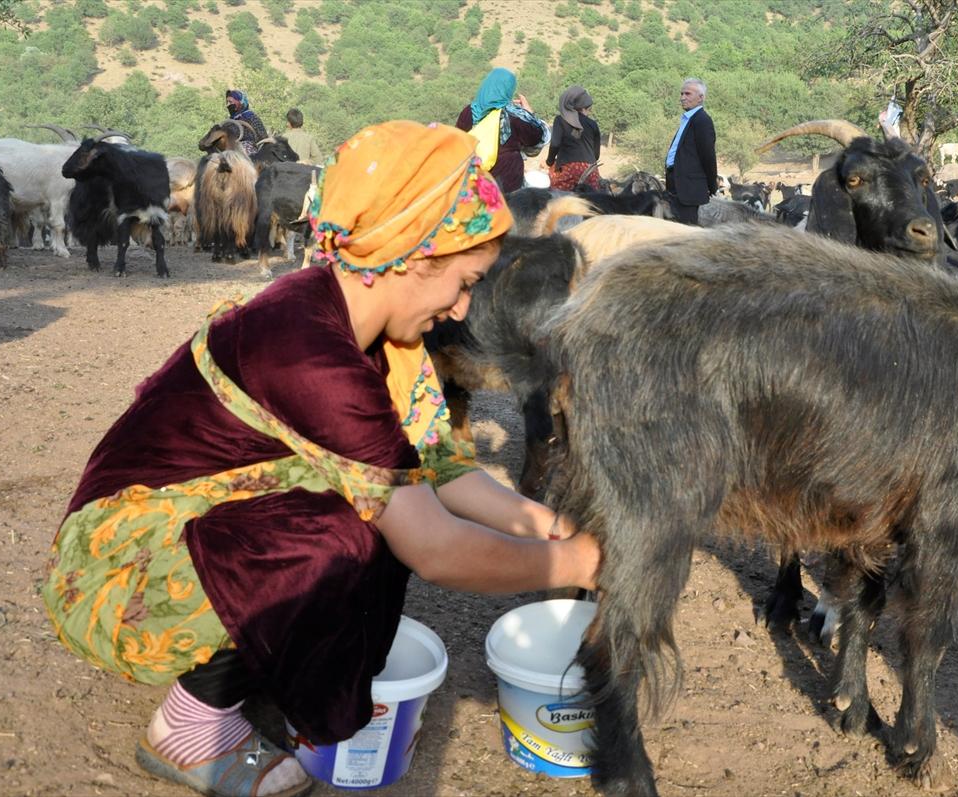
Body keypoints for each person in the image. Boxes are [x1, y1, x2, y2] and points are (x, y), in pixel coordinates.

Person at [42, 121, 601, 797]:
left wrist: (541, 525)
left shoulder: (377, 337)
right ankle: (189, 727)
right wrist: (578, 563)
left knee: (377, 510)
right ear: (409, 256)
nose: (460, 307)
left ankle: (259, 678)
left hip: (195, 518)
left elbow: (437, 464)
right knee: (352, 534)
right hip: (115, 563)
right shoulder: (306, 346)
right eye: (461, 282)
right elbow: (435, 547)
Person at [456, 67, 549, 194]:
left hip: (474, 182)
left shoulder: (468, 112)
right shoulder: (515, 116)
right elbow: (539, 138)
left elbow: (457, 142)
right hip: (506, 186)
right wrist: (529, 113)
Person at [664, 77, 717, 225]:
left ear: (701, 98)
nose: (682, 98)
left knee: (686, 229)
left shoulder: (702, 120)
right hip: (677, 184)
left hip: (688, 187)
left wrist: (712, 185)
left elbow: (708, 156)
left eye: (687, 94)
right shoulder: (688, 119)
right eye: (681, 94)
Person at [546, 85, 604, 192]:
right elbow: (596, 154)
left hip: (568, 169)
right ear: (582, 108)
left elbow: (555, 144)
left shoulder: (560, 120)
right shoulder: (593, 124)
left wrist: (549, 162)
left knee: (557, 200)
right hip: (590, 171)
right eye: (588, 109)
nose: (589, 113)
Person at [225, 89, 267, 157]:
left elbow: (263, 137)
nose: (228, 105)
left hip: (250, 152)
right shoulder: (229, 121)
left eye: (230, 102)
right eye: (227, 102)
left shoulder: (251, 117)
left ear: (240, 102)